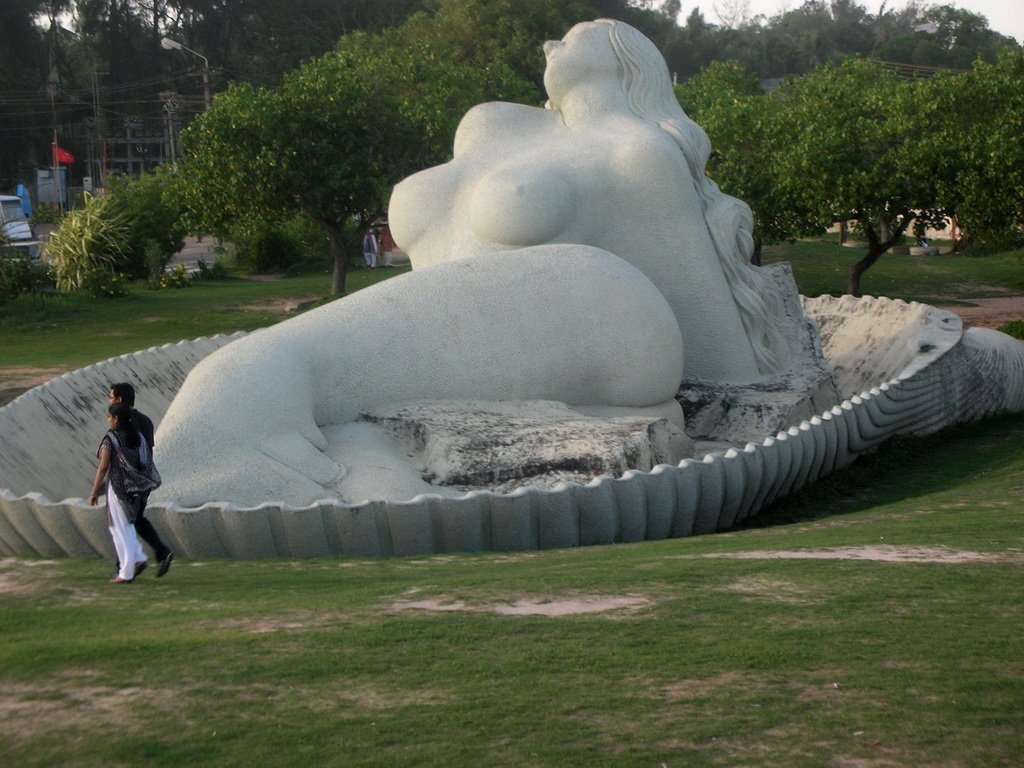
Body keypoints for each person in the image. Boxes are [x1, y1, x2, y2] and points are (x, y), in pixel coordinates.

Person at [389, 19, 789, 383]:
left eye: (571, 38)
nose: (549, 44)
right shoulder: (491, 124)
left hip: (508, 362)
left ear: (626, 59)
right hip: (411, 335)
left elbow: (713, 343)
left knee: (327, 368)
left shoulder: (639, 153)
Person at [89, 403, 162, 583]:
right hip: (137, 490)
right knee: (120, 527)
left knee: (121, 529)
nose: (108, 420)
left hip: (118, 490)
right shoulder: (138, 437)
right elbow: (145, 463)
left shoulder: (110, 438)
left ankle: (126, 572)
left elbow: (103, 466)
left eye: (109, 417)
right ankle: (137, 558)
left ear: (115, 419)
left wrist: (94, 491)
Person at [108, 383, 174, 577]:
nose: (109, 400)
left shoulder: (121, 422)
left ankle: (127, 567)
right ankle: (160, 553)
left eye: (110, 397)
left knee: (122, 523)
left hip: (127, 483)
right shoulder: (145, 421)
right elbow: (148, 452)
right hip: (145, 480)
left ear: (119, 400)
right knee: (135, 520)